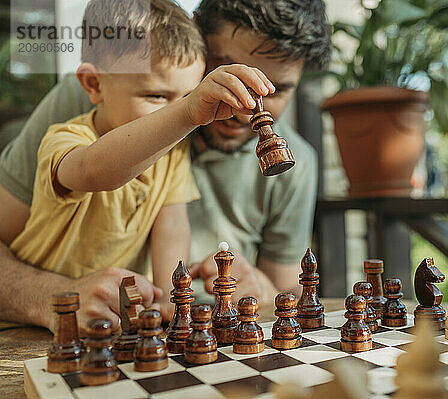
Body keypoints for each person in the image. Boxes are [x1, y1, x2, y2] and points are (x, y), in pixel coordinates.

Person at [0, 0, 331, 331]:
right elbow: (95, 168)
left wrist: (261, 292)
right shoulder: (111, 88)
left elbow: (174, 226)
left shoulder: (290, 160)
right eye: (228, 72)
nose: (247, 107)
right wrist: (53, 298)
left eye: (277, 89)